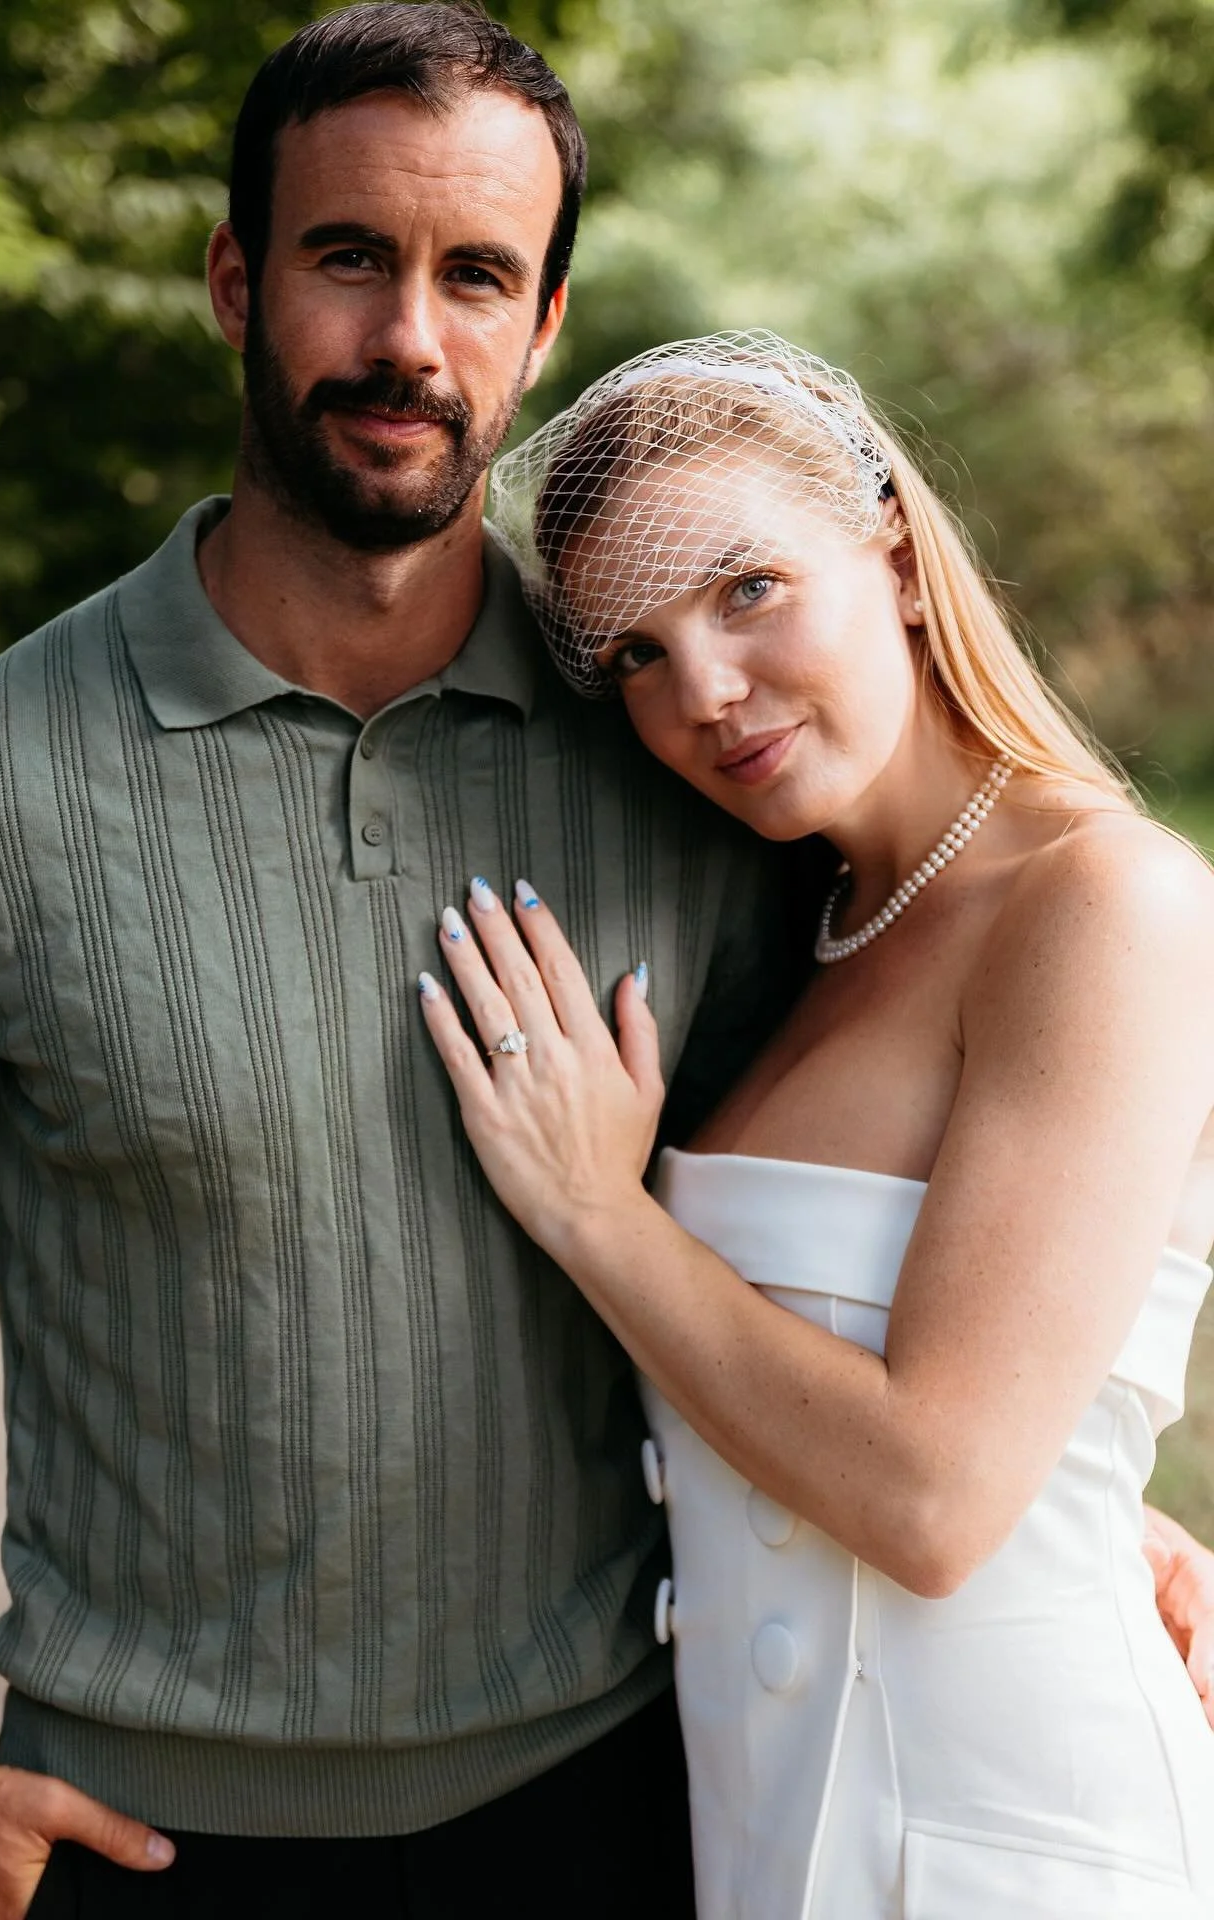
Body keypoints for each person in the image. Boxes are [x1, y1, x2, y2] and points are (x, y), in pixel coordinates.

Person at [0, 9, 1208, 1917]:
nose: (406, 339)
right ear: (234, 278)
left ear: (541, 326)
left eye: (475, 276)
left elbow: (896, 1268)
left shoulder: (686, 777)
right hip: (147, 1839)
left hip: (630, 1808)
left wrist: (1095, 1497)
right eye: (346, 256)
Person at [419, 332, 1214, 1916]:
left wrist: (598, 1213)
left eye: (748, 589)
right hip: (779, 1831)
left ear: (901, 556)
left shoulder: (1103, 901)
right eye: (634, 654)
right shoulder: (817, 932)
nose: (703, 692)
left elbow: (932, 1500)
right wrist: (1106, 1494)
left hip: (1002, 1843)